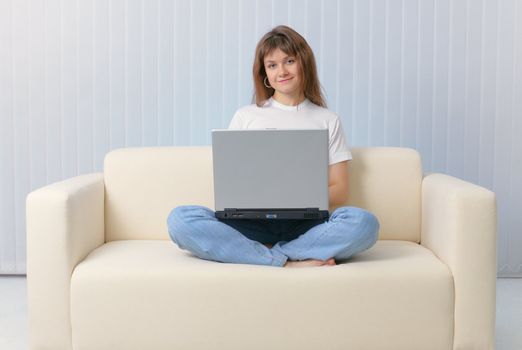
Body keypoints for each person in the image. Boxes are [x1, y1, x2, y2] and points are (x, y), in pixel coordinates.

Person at [167, 25, 379, 268]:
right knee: (180, 219)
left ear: (304, 63)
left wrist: (290, 198)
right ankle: (288, 260)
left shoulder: (327, 119)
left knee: (364, 223)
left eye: (289, 60)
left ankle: (264, 254)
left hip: (305, 225)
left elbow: (340, 190)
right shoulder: (246, 116)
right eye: (272, 65)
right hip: (251, 223)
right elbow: (231, 185)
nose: (282, 71)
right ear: (264, 74)